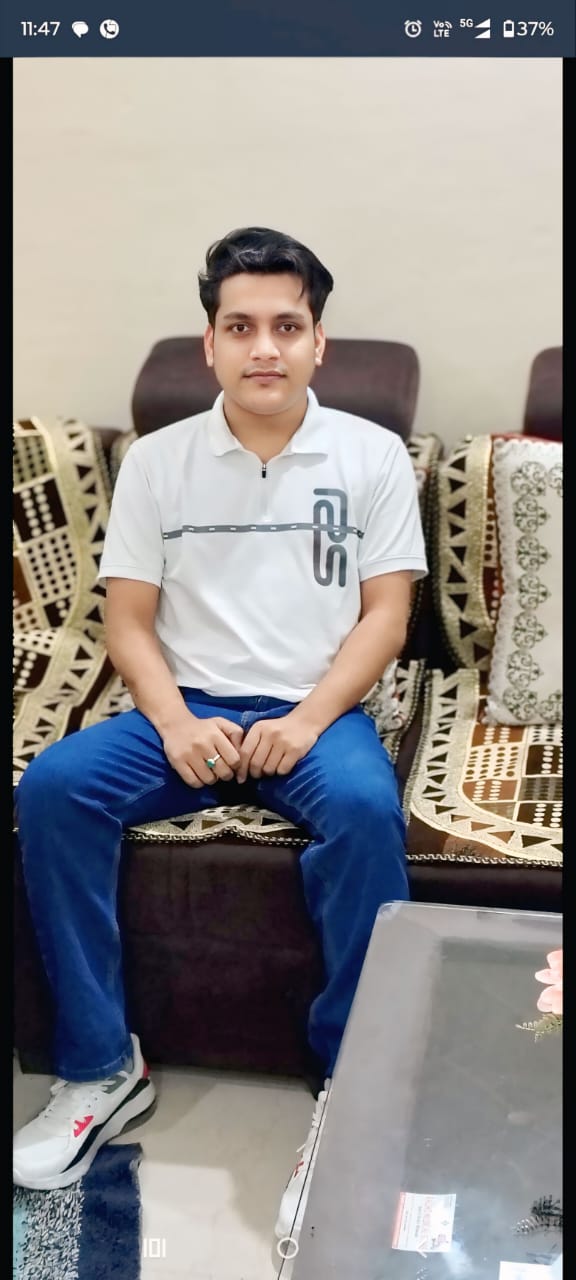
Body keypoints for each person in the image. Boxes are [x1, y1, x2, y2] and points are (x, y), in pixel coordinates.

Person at [13, 227, 427, 1249]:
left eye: (287, 325)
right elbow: (128, 621)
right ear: (210, 345)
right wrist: (175, 720)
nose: (264, 348)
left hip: (315, 710)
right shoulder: (158, 463)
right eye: (240, 327)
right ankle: (100, 1067)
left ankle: (351, 1082)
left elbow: (386, 617)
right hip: (188, 702)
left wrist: (307, 718)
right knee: (54, 786)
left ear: (319, 342)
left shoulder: (372, 456)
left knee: (367, 811)